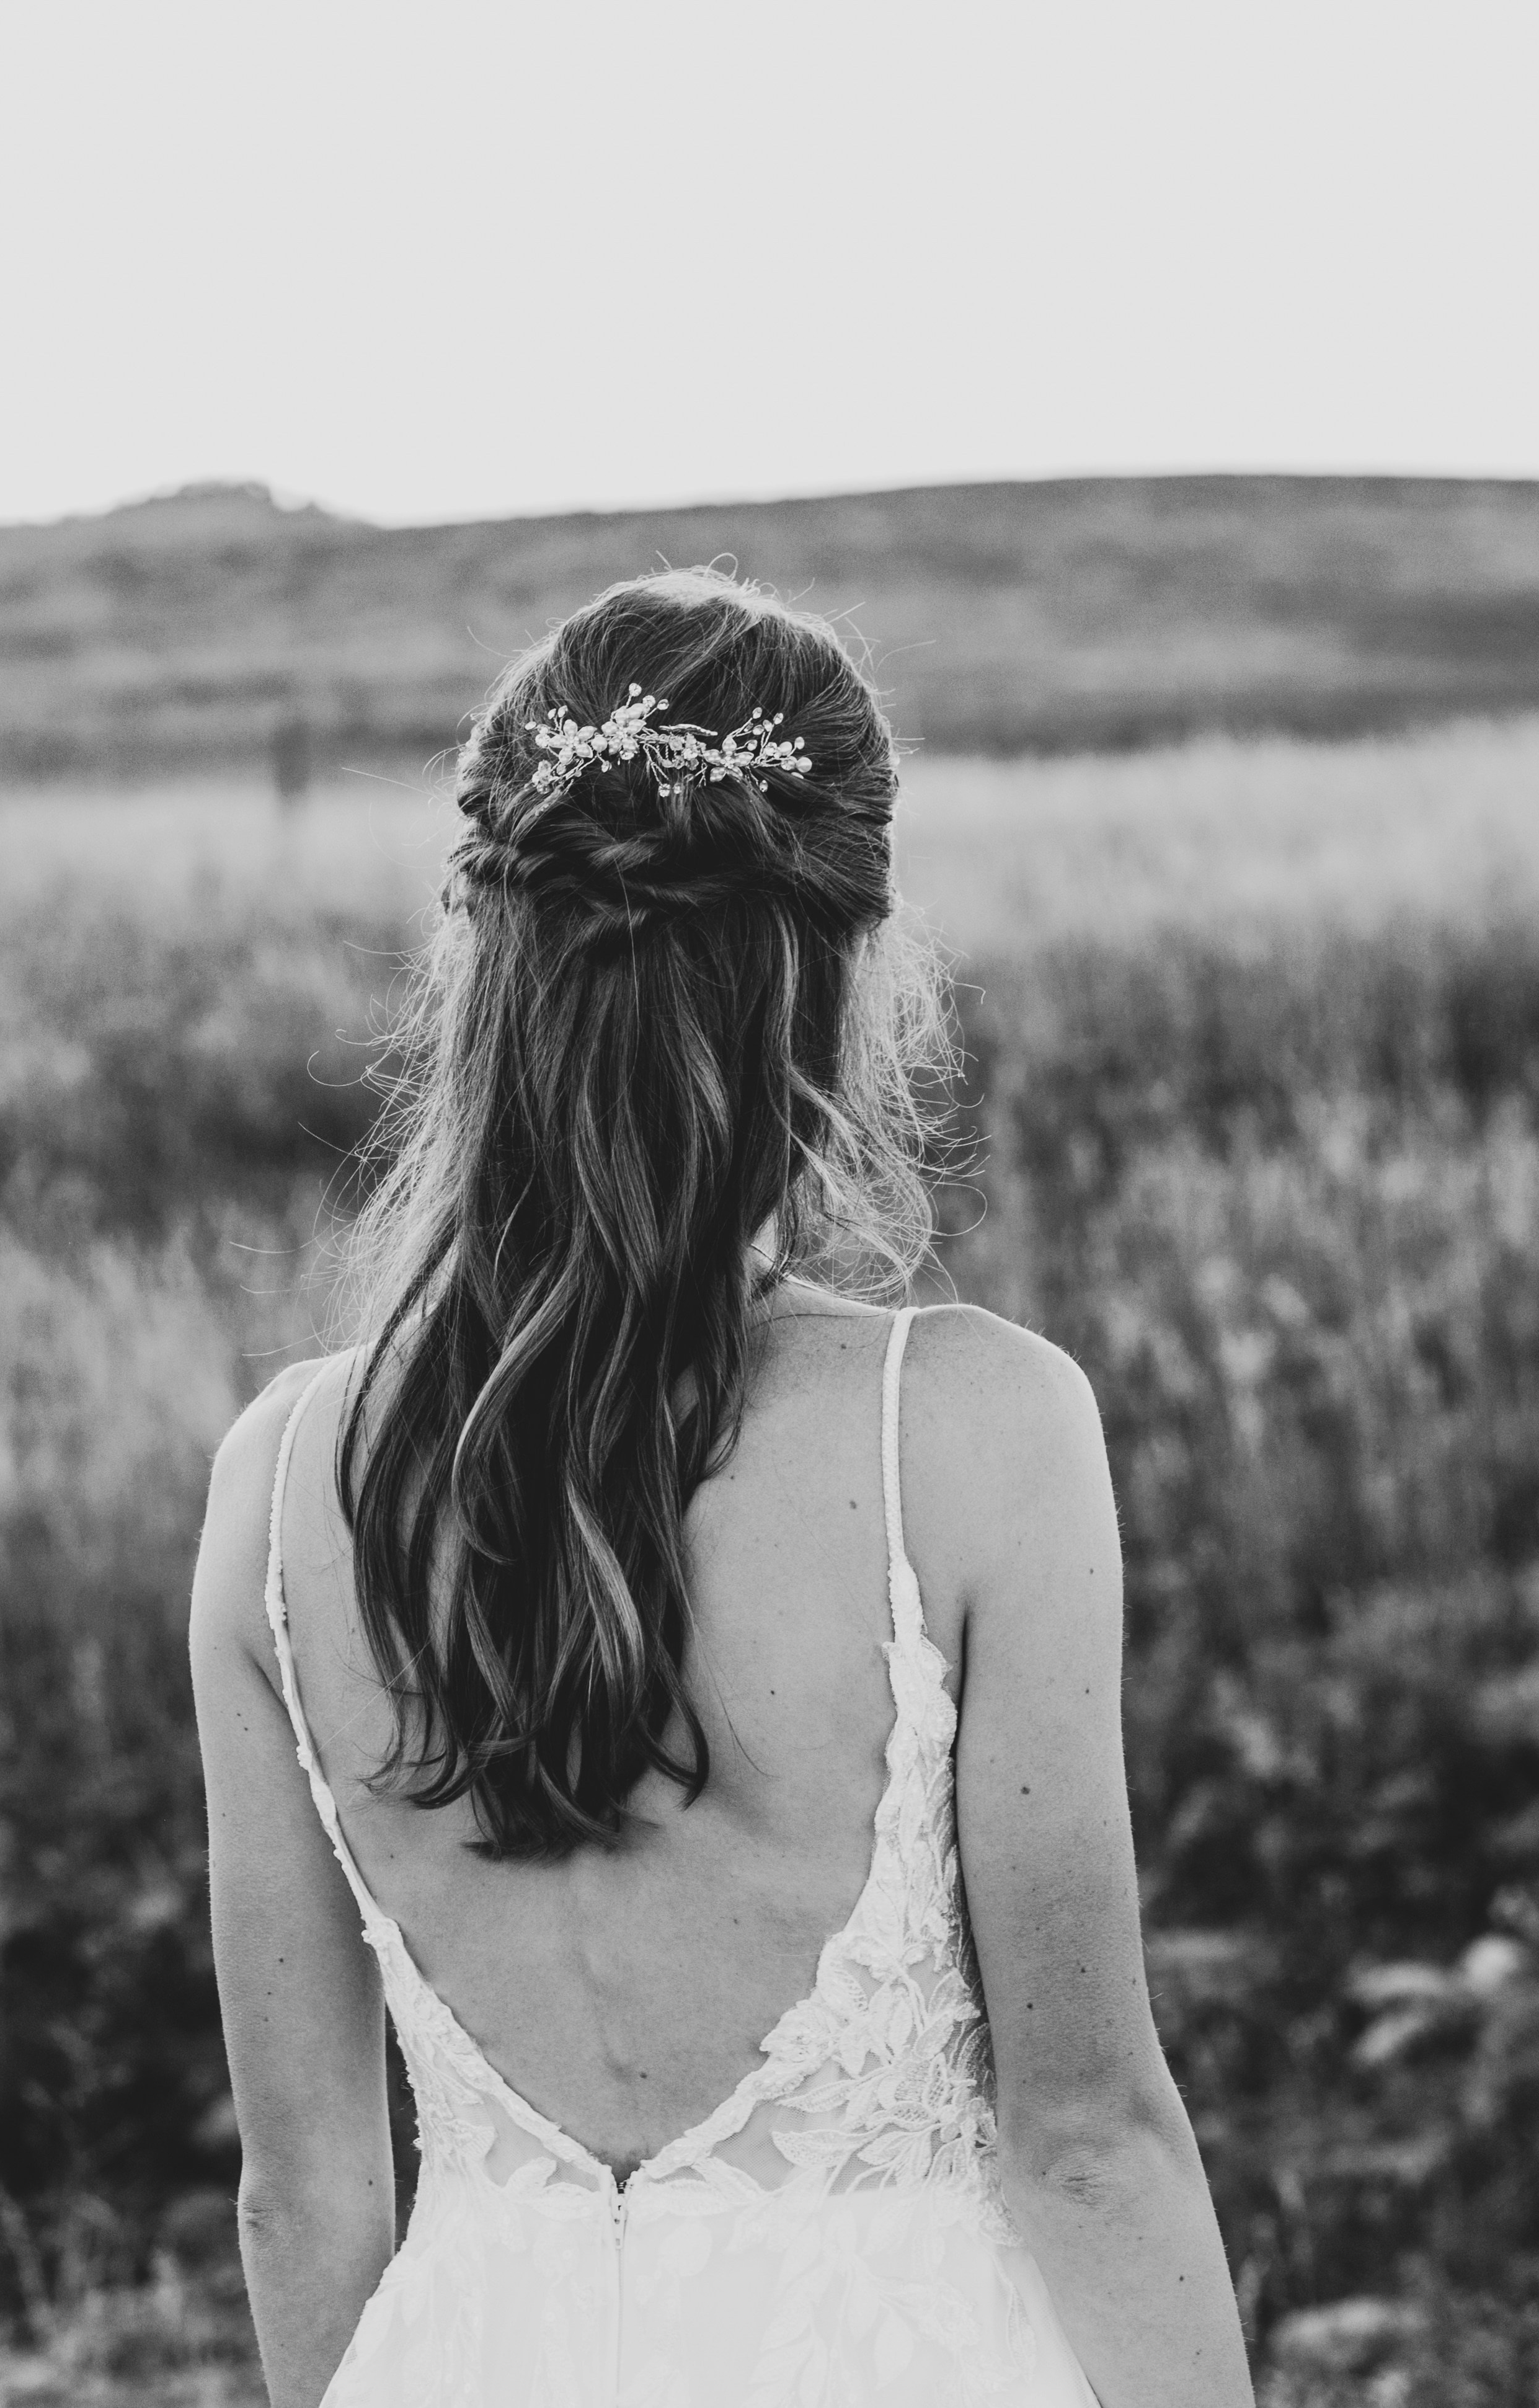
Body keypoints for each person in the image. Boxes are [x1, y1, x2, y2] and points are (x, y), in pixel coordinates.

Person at [192, 569, 1251, 2407]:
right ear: (841, 966)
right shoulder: (976, 1431)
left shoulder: (283, 1483)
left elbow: (303, 2193)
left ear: (487, 964)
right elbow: (1082, 2137)